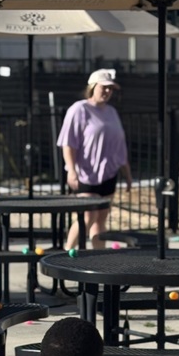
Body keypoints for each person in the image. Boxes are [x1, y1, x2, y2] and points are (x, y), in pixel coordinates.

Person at [57, 69, 132, 250]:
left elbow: (120, 147)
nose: (107, 91)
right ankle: (67, 251)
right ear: (92, 87)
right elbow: (68, 143)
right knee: (87, 216)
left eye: (110, 88)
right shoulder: (79, 109)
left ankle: (99, 257)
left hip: (109, 173)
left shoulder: (112, 112)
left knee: (101, 218)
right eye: (103, 87)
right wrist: (71, 170)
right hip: (86, 174)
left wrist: (128, 174)